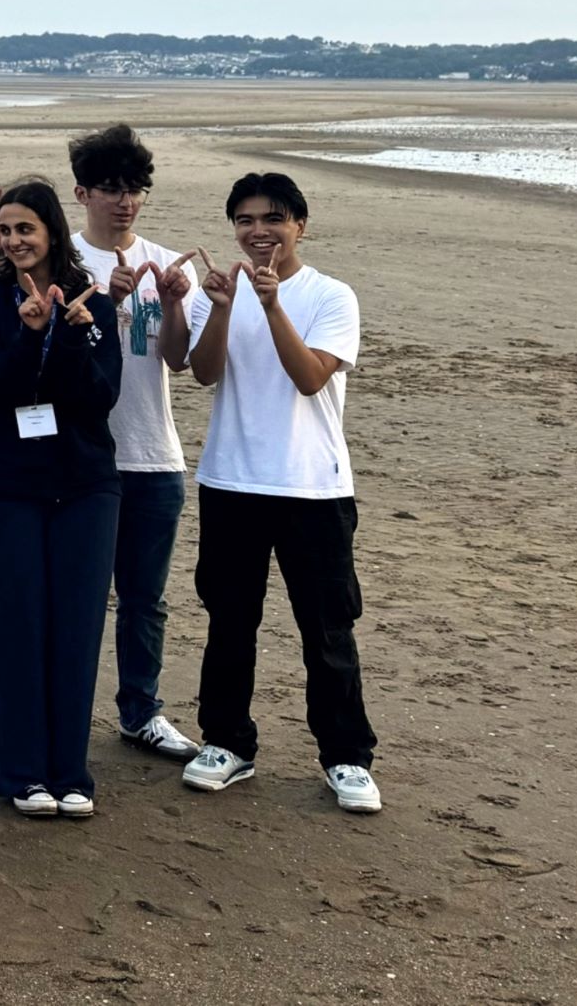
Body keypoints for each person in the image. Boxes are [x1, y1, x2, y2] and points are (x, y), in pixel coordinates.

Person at [179, 172, 381, 814]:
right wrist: (221, 306)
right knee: (230, 619)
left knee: (326, 627)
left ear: (300, 225)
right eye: (244, 220)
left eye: (272, 219)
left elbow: (309, 378)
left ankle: (346, 756)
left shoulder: (331, 296)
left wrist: (269, 305)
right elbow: (204, 372)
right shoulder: (224, 291)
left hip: (313, 488)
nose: (258, 232)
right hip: (230, 479)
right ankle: (226, 742)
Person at [0, 179, 122, 819]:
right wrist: (31, 333)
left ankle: (71, 772)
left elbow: (99, 399)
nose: (14, 240)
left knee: (76, 627)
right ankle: (23, 773)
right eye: (5, 229)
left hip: (85, 485)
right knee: (17, 623)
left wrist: (78, 334)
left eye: (26, 228)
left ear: (52, 231)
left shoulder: (96, 305)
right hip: (10, 485)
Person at [66, 125, 204, 760]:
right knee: (78, 594)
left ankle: (141, 710)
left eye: (136, 190)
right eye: (112, 189)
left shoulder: (166, 262)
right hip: (83, 456)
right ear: (82, 191)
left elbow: (176, 359)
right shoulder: (61, 262)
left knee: (145, 598)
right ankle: (62, 706)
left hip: (155, 453)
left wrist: (174, 304)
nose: (125, 202)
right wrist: (98, 300)